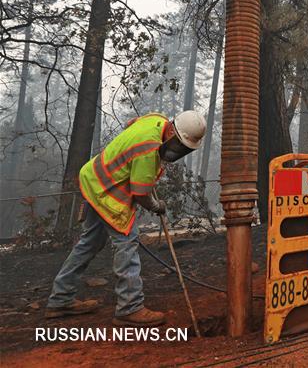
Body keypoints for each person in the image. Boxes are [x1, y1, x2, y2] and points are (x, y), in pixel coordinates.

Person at [45, 110, 206, 326]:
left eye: (182, 148)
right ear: (171, 130)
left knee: (90, 242)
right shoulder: (148, 150)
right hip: (107, 192)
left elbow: (131, 123)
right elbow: (140, 194)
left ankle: (60, 299)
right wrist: (157, 206)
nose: (176, 150)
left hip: (93, 177)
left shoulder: (155, 120)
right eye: (177, 144)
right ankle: (129, 307)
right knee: (127, 242)